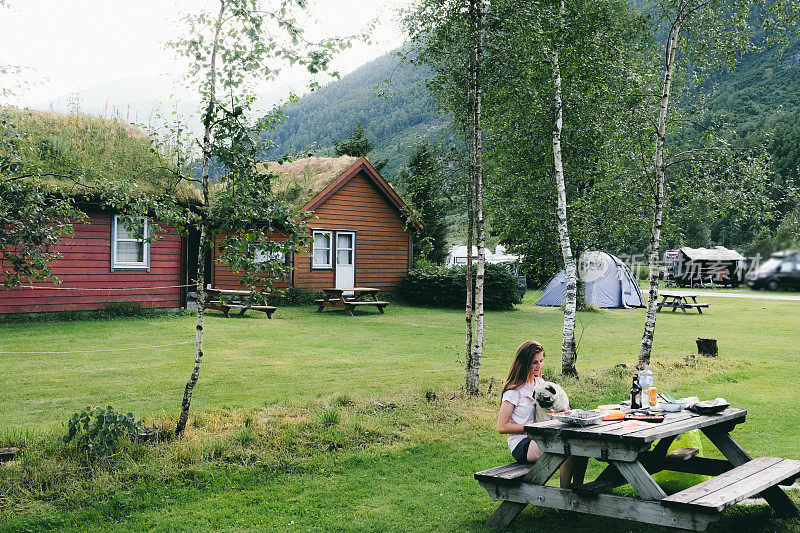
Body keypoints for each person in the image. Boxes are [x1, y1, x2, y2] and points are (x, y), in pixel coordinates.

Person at [497, 340, 587, 488]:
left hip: (542, 435)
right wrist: (533, 428)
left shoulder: (540, 383)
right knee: (568, 448)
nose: (539, 366)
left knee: (581, 447)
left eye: (541, 361)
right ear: (524, 362)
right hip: (523, 443)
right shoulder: (513, 391)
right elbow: (502, 427)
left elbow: (549, 408)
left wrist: (561, 412)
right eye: (534, 363)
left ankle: (578, 490)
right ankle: (564, 495)